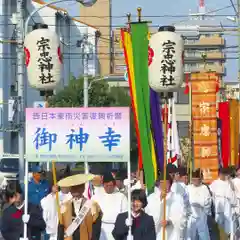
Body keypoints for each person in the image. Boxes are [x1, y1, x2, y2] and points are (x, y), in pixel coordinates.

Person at [57, 173, 102, 240]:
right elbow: (61, 228)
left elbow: (96, 229)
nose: (75, 189)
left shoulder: (92, 205)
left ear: (83, 188)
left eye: (78, 186)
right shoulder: (64, 206)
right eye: (73, 187)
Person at [145, 173, 187, 239]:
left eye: (166, 183)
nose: (163, 185)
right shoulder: (152, 197)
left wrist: (169, 221)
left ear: (170, 184)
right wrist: (159, 200)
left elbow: (181, 216)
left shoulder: (177, 197)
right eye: (161, 183)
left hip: (172, 234)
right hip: (158, 233)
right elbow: (148, 215)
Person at [92, 172, 128, 240]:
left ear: (114, 185)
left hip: (116, 228)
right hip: (101, 228)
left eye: (110, 185)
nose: (108, 188)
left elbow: (125, 214)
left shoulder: (121, 197)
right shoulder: (96, 197)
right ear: (103, 185)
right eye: (106, 185)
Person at [41, 173, 72, 240]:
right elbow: (44, 203)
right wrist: (53, 193)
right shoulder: (54, 196)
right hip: (56, 231)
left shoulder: (72, 196)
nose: (65, 185)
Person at [210, 167, 237, 237]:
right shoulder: (215, 182)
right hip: (218, 203)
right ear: (219, 174)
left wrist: (230, 181)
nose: (224, 175)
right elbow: (211, 193)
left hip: (227, 203)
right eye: (222, 174)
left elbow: (233, 190)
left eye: (225, 174)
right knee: (219, 221)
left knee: (228, 220)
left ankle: (228, 235)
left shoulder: (229, 182)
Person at [186, 169, 211, 240]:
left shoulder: (204, 188)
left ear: (200, 179)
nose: (195, 182)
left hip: (201, 216)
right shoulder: (188, 188)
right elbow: (185, 201)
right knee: (190, 236)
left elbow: (207, 202)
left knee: (203, 235)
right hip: (191, 217)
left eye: (196, 180)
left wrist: (200, 205)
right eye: (193, 180)